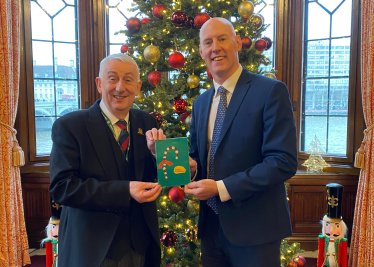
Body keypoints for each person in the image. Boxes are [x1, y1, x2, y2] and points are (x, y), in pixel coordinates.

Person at [185, 17, 298, 266]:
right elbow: (197, 156)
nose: (215, 47)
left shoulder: (270, 91)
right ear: (202, 52)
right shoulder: (200, 103)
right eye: (208, 42)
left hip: (256, 231)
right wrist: (190, 167)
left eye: (222, 38)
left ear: (237, 42)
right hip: (211, 231)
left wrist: (221, 188)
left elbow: (283, 161)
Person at [49, 53, 164, 267]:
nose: (120, 87)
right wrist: (125, 190)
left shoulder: (147, 121)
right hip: (92, 250)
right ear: (99, 84)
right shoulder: (71, 126)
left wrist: (158, 155)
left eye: (128, 80)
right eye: (112, 78)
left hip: (141, 247)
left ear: (138, 87)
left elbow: (155, 178)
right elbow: (62, 188)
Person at [317, 183, 348, 267]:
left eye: (336, 226)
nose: (331, 231)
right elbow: (320, 255)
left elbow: (344, 258)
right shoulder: (322, 239)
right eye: (327, 225)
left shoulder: (343, 242)